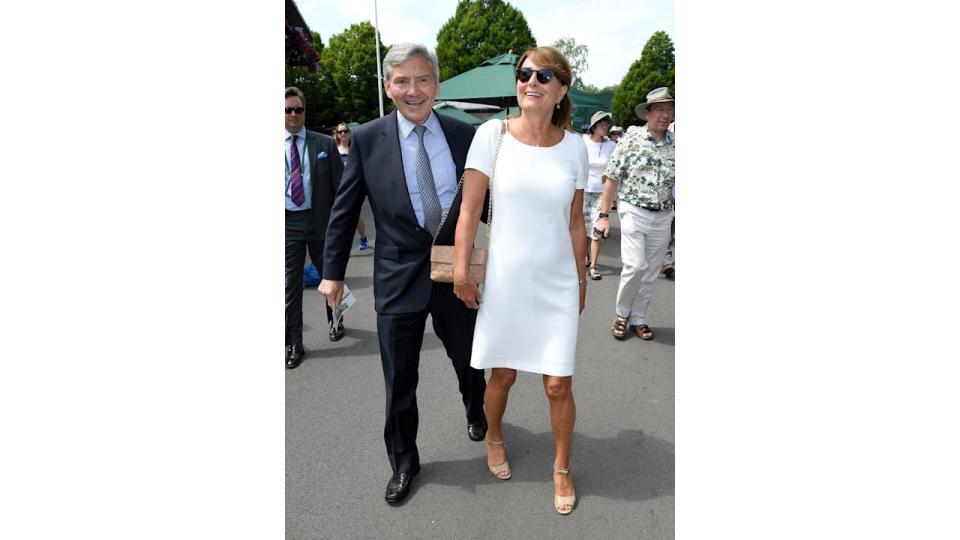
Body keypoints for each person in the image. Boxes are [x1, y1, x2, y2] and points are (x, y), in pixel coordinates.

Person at [319, 43, 487, 506]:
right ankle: (404, 462)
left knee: (469, 360)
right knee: (399, 382)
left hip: (456, 272)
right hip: (397, 279)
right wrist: (332, 272)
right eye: (402, 81)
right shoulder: (368, 137)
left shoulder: (463, 134)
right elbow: (345, 207)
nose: (413, 91)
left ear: (436, 84)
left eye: (422, 80)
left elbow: (486, 202)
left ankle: (477, 409)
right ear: (388, 87)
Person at [453, 46, 588, 515]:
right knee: (503, 374)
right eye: (525, 73)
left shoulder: (576, 147)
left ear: (561, 90)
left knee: (557, 385)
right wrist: (460, 270)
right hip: (506, 282)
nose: (531, 80)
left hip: (556, 283)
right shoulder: (491, 136)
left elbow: (576, 223)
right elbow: (470, 210)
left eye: (544, 75)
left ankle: (563, 467)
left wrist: (582, 281)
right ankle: (494, 436)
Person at [596, 87, 675, 341]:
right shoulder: (631, 140)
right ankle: (622, 314)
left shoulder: (677, 145)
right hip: (632, 210)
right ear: (648, 113)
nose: (666, 114)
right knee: (634, 265)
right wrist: (604, 215)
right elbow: (611, 179)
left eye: (670, 108)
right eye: (660, 109)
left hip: (663, 215)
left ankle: (639, 317)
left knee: (651, 271)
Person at [284, 87, 344, 369]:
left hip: (321, 221)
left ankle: (337, 319)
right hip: (287, 223)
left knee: (329, 273)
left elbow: (341, 187)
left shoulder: (323, 144)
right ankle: (294, 341)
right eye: (287, 109)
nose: (293, 114)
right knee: (290, 285)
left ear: (305, 112)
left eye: (298, 109)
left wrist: (340, 224)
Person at [582, 111, 616, 280]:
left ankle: (593, 266)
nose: (605, 126)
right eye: (601, 124)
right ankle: (586, 257)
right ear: (593, 126)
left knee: (598, 229)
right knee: (583, 227)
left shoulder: (612, 145)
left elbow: (614, 169)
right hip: (582, 190)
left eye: (606, 124)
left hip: (602, 192)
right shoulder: (582, 142)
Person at [332, 122, 369, 251]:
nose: (343, 134)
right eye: (340, 132)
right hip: (337, 188)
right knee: (337, 216)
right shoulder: (333, 149)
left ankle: (363, 237)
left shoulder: (355, 148)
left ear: (349, 132)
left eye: (345, 131)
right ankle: (339, 243)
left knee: (355, 214)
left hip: (354, 187)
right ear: (336, 134)